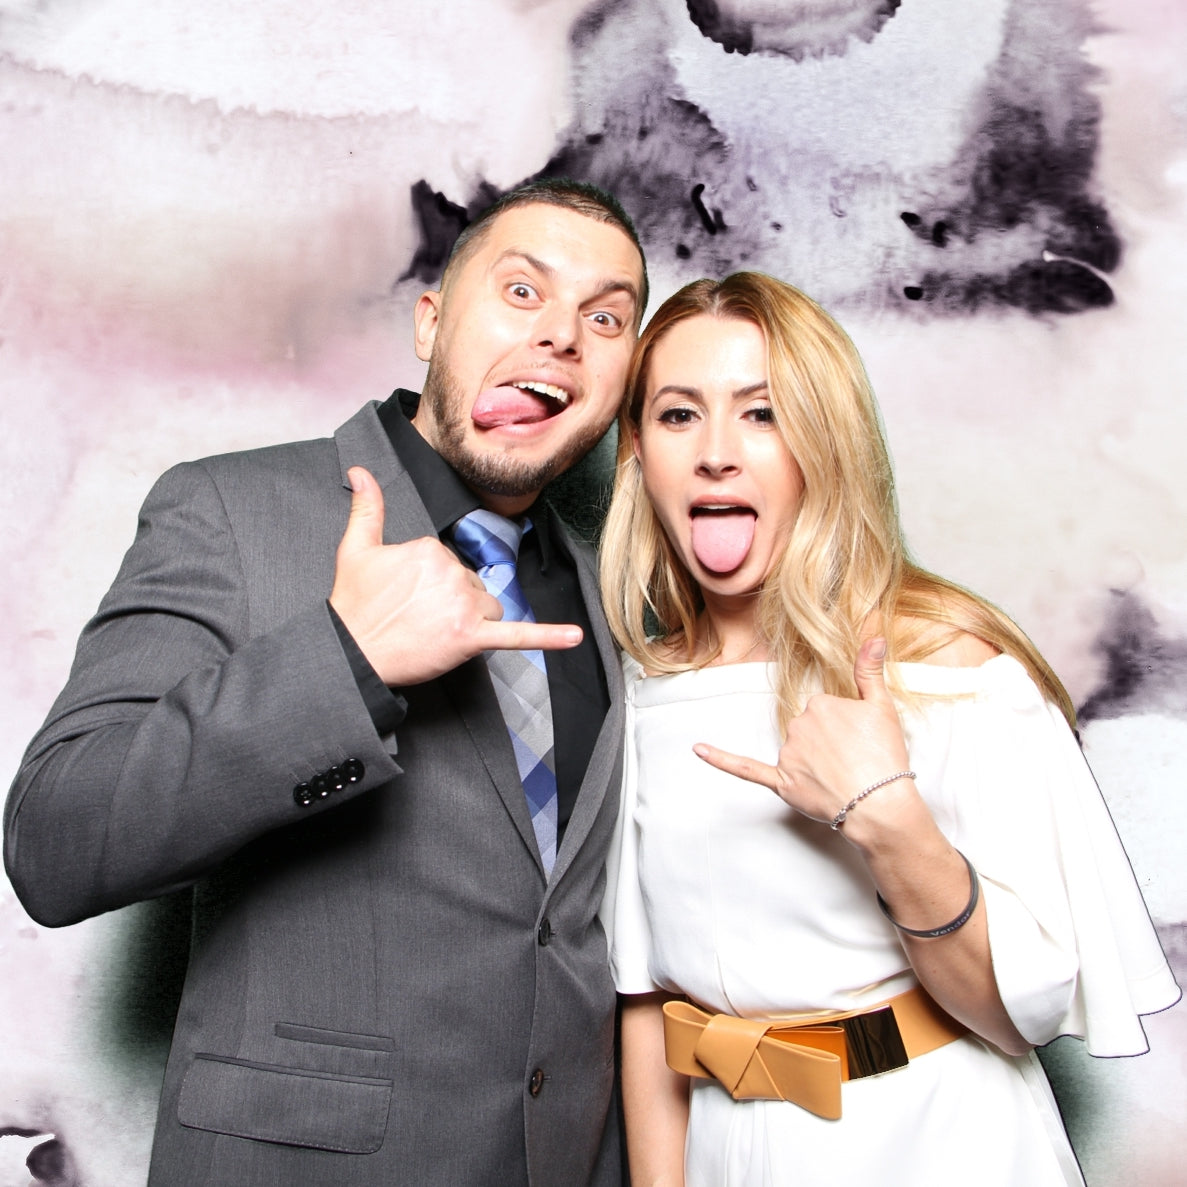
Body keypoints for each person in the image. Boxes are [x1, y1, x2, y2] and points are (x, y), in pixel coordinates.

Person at [4, 179, 648, 1186]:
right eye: (522, 291)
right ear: (429, 323)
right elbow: (53, 841)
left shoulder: (613, 588)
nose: (563, 333)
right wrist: (343, 661)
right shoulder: (229, 509)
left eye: (604, 316)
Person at [597, 272, 1179, 1186]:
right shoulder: (640, 692)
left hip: (932, 1142)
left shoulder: (955, 674)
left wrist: (890, 816)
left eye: (764, 412)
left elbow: (1006, 1016)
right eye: (678, 415)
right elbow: (648, 1002)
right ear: (636, 448)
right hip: (724, 1155)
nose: (715, 453)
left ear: (824, 443)